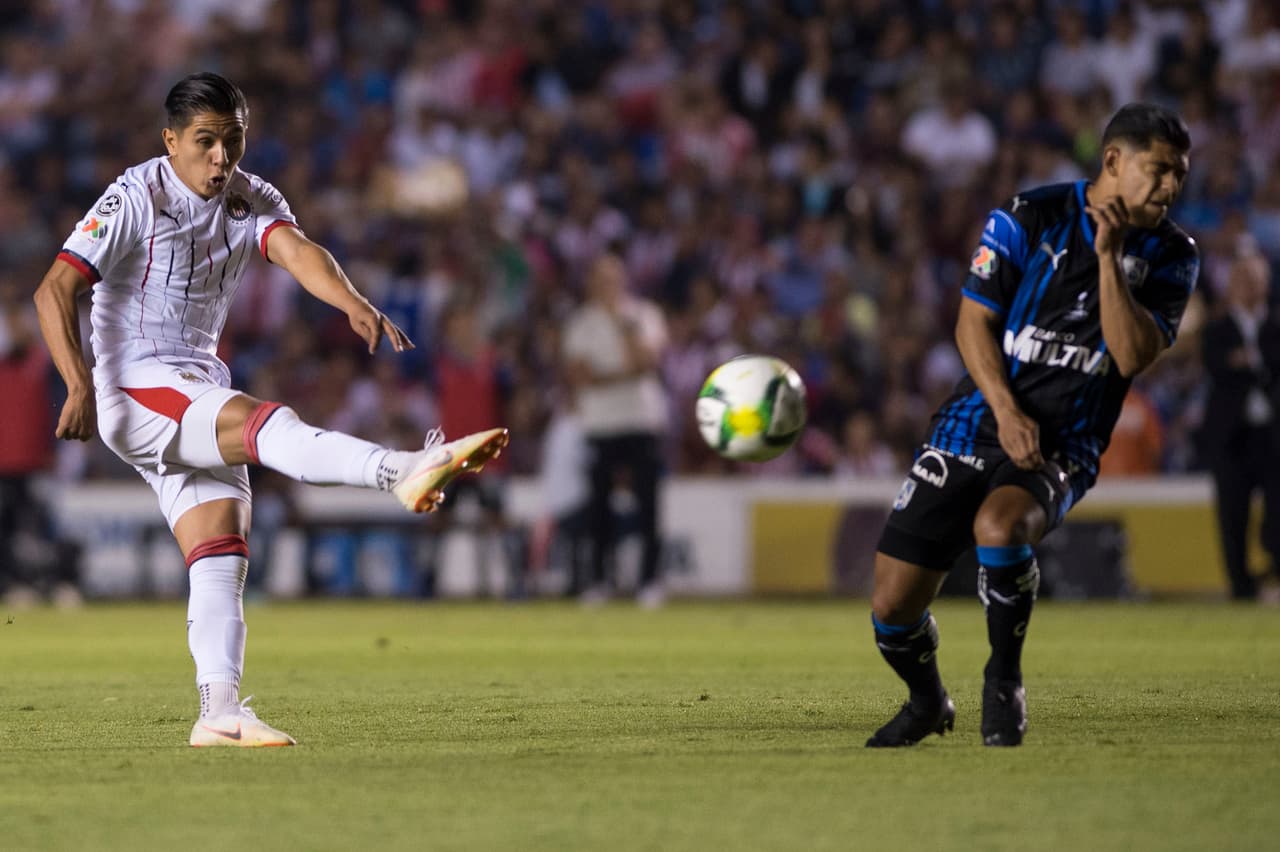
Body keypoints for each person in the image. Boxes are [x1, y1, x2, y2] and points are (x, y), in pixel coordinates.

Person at [31, 73, 509, 748]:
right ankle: (403, 469)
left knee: (220, 546)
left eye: (233, 140)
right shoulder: (134, 197)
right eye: (205, 142)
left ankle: (219, 712)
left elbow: (295, 250)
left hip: (192, 381)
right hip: (136, 385)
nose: (221, 159)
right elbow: (53, 291)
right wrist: (77, 384)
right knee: (265, 425)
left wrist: (350, 300)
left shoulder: (249, 196)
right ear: (171, 142)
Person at [865, 103, 1199, 747]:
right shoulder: (1027, 216)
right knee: (892, 606)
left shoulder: (1172, 256)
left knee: (1001, 525)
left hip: (1065, 442)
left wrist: (1109, 259)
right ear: (1112, 161)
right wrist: (1007, 411)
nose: (1170, 188)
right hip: (978, 420)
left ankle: (1005, 678)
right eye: (1159, 171)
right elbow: (972, 325)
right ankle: (928, 699)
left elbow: (1130, 356)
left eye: (1178, 176)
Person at [562, 252, 668, 607]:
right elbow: (579, 377)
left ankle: (650, 581)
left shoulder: (643, 315)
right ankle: (598, 580)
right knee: (598, 508)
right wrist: (625, 374)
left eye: (613, 279)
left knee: (649, 506)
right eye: (601, 279)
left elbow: (648, 363)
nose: (607, 286)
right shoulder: (581, 322)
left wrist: (623, 329)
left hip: (641, 421)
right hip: (601, 425)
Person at [1198, 250, 1280, 600]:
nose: (1249, 287)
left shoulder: (1275, 325)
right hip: (1231, 437)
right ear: (1231, 285)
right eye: (1243, 280)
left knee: (1277, 513)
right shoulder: (1216, 329)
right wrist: (1259, 365)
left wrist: (1245, 362)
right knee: (1232, 515)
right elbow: (1217, 367)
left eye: (1255, 280)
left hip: (1273, 436)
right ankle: (1240, 587)